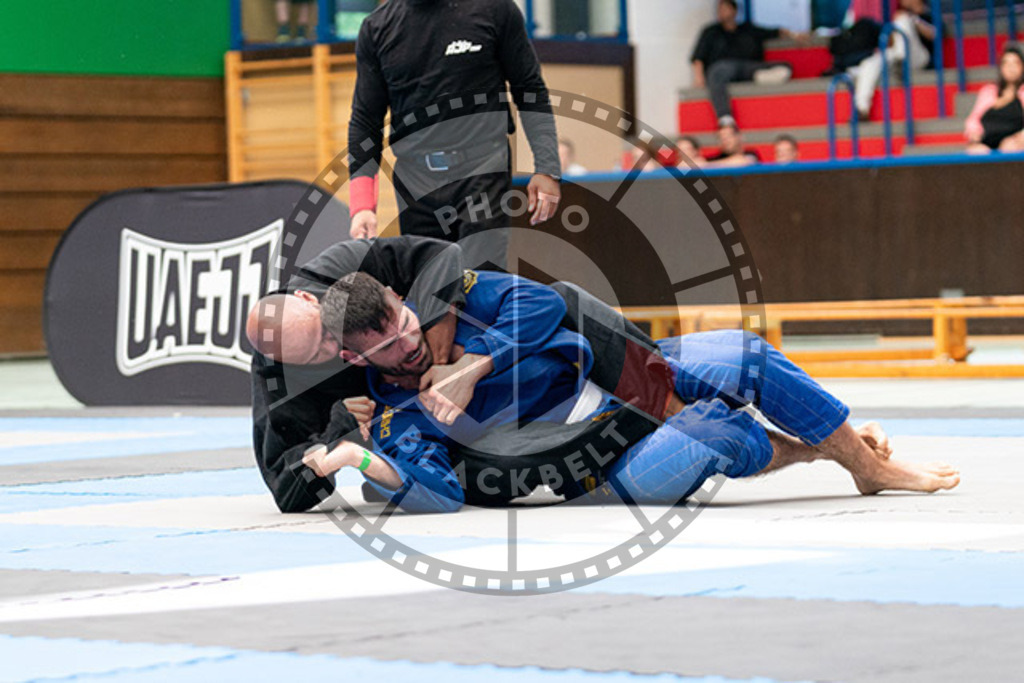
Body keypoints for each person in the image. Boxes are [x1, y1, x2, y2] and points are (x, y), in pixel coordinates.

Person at [308, 270, 959, 513]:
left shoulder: (459, 296)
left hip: (630, 377)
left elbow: (551, 305)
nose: (410, 342)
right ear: (353, 356)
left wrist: (473, 363)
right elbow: (441, 493)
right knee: (716, 428)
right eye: (388, 346)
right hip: (601, 464)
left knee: (747, 355)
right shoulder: (397, 410)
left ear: (399, 297)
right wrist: (356, 459)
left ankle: (866, 466)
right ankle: (830, 452)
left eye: (402, 320)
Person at [246, 236, 468, 513]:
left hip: (448, 380)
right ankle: (392, 472)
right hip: (397, 421)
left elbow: (442, 256)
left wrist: (439, 365)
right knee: (485, 478)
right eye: (315, 356)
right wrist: (340, 429)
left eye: (327, 333)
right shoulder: (276, 375)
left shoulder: (338, 269)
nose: (334, 349)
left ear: (307, 298)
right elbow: (287, 491)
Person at [347, 0, 562, 270]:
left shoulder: (494, 9)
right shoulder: (377, 28)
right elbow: (365, 120)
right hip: (416, 181)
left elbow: (530, 90)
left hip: (481, 169)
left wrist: (547, 168)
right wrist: (362, 205)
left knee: (479, 286)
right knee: (429, 294)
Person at [690, 0, 807, 126]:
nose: (721, 12)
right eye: (719, 9)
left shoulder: (748, 29)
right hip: (723, 68)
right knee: (717, 72)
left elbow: (776, 31)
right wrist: (699, 77)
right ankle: (725, 116)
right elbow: (698, 57)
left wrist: (794, 35)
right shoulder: (711, 32)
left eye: (725, 8)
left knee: (785, 66)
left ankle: (759, 76)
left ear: (734, 11)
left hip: (749, 67)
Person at [850, 0, 938, 121]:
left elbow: (936, 34)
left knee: (903, 20)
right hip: (897, 53)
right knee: (870, 63)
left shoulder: (929, 14)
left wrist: (913, 20)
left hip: (920, 58)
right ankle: (862, 108)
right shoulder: (897, 15)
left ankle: (900, 60)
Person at [965, 45, 1024, 154]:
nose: (1011, 68)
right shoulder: (988, 91)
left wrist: (1020, 137)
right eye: (1007, 63)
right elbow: (973, 120)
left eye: (1015, 63)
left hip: (1014, 143)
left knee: (1010, 148)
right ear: (1001, 68)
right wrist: (974, 133)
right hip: (986, 142)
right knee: (976, 152)